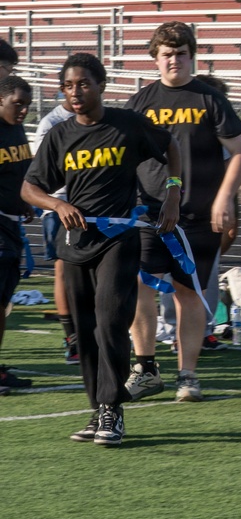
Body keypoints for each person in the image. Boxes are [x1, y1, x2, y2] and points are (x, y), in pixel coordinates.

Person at [23, 53, 181, 446]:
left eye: (83, 84)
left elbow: (171, 146)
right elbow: (29, 188)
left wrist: (173, 194)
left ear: (101, 85)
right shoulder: (59, 135)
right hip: (76, 243)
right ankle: (98, 410)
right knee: (86, 330)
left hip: (119, 239)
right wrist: (57, 204)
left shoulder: (127, 124)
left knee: (110, 320)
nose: (75, 92)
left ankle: (113, 408)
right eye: (68, 86)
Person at [123, 22, 241, 403]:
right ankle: (145, 368)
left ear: (192, 56)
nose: (174, 60)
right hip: (148, 212)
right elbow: (122, 153)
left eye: (181, 53)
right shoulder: (140, 101)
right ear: (155, 58)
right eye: (167, 54)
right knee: (140, 285)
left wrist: (224, 198)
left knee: (188, 292)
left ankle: (188, 375)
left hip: (197, 214)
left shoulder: (210, 99)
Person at [32, 93, 78, 366]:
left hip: (94, 206)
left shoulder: (101, 118)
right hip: (60, 204)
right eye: (70, 86)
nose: (78, 92)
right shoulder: (52, 122)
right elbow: (43, 168)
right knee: (63, 271)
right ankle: (72, 337)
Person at [0, 76, 36, 396]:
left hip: (12, 225)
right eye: (18, 104)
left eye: (27, 104)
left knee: (3, 302)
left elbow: (20, 170)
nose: (23, 110)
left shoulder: (17, 129)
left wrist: (24, 200)